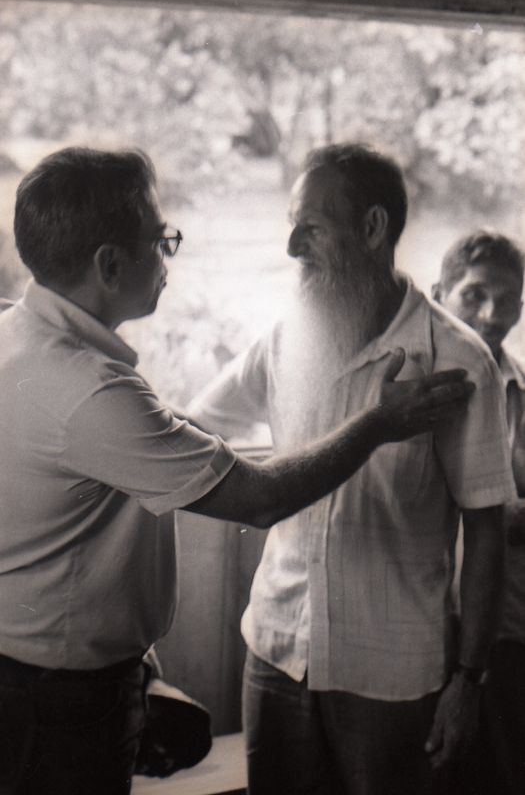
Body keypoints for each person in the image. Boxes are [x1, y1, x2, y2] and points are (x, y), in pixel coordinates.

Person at [0, 147, 472, 795]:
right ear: (110, 266)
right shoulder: (92, 393)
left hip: (60, 677)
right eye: (161, 240)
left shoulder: (16, 335)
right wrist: (376, 424)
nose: (169, 254)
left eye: (307, 228)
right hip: (59, 701)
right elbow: (257, 497)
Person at [188, 143, 517, 795]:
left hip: (393, 675)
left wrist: (467, 682)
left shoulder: (457, 359)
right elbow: (195, 428)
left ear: (371, 229)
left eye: (309, 227)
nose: (290, 247)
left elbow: (484, 529)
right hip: (275, 652)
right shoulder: (284, 337)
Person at [433, 230, 525, 795]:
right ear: (440, 292)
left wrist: (504, 513)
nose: (492, 315)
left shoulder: (520, 393)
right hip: (420, 627)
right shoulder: (413, 389)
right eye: (474, 295)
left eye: (509, 299)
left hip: (505, 632)